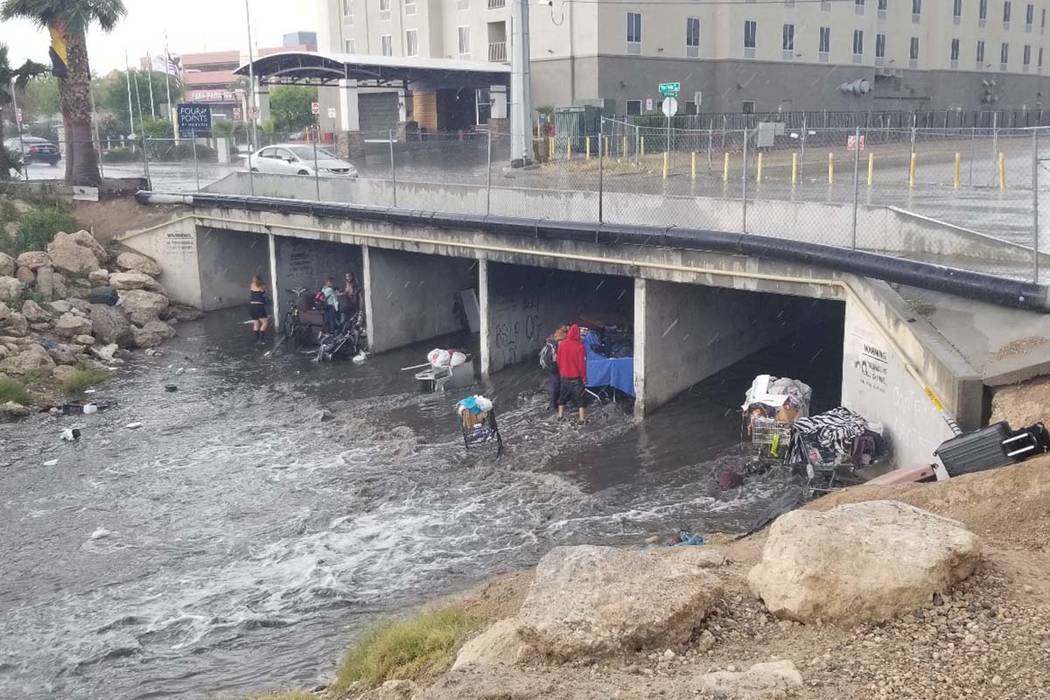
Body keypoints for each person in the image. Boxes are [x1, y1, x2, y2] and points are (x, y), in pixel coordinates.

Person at [556, 324, 588, 422]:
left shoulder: (562, 344)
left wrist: (562, 371)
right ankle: (582, 419)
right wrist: (584, 377)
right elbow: (581, 364)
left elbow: (558, 360)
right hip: (576, 377)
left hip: (564, 375)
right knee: (580, 397)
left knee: (562, 395)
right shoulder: (580, 346)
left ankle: (560, 415)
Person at [540, 325, 568, 412]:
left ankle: (553, 404)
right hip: (554, 366)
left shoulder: (552, 341)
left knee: (554, 383)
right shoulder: (560, 340)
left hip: (550, 366)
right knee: (556, 384)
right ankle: (553, 405)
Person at [248, 274, 269, 343]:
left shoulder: (252, 285)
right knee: (265, 322)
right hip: (259, 306)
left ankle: (257, 339)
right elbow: (265, 292)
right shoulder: (262, 286)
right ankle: (262, 339)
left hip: (252, 306)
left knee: (256, 323)